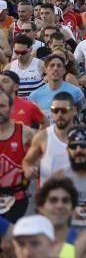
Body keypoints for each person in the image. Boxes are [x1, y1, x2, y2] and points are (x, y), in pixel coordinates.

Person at [52, 126, 86, 232]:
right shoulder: (59, 177)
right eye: (73, 146)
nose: (78, 150)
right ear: (67, 150)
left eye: (83, 145)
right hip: (70, 237)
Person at [23, 92, 76, 185]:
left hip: (77, 195)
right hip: (49, 195)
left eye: (64, 110)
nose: (59, 114)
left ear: (74, 110)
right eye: (55, 110)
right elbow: (27, 162)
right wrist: (29, 170)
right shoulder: (42, 136)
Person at [0, 89, 35, 223]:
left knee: (11, 239)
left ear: (11, 108)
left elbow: (42, 154)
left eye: (2, 106)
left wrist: (32, 166)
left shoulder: (25, 132)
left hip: (17, 198)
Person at [28, 55, 86, 121]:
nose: (55, 68)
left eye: (59, 66)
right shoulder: (34, 96)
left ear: (64, 70)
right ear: (45, 70)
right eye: (52, 65)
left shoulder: (76, 92)